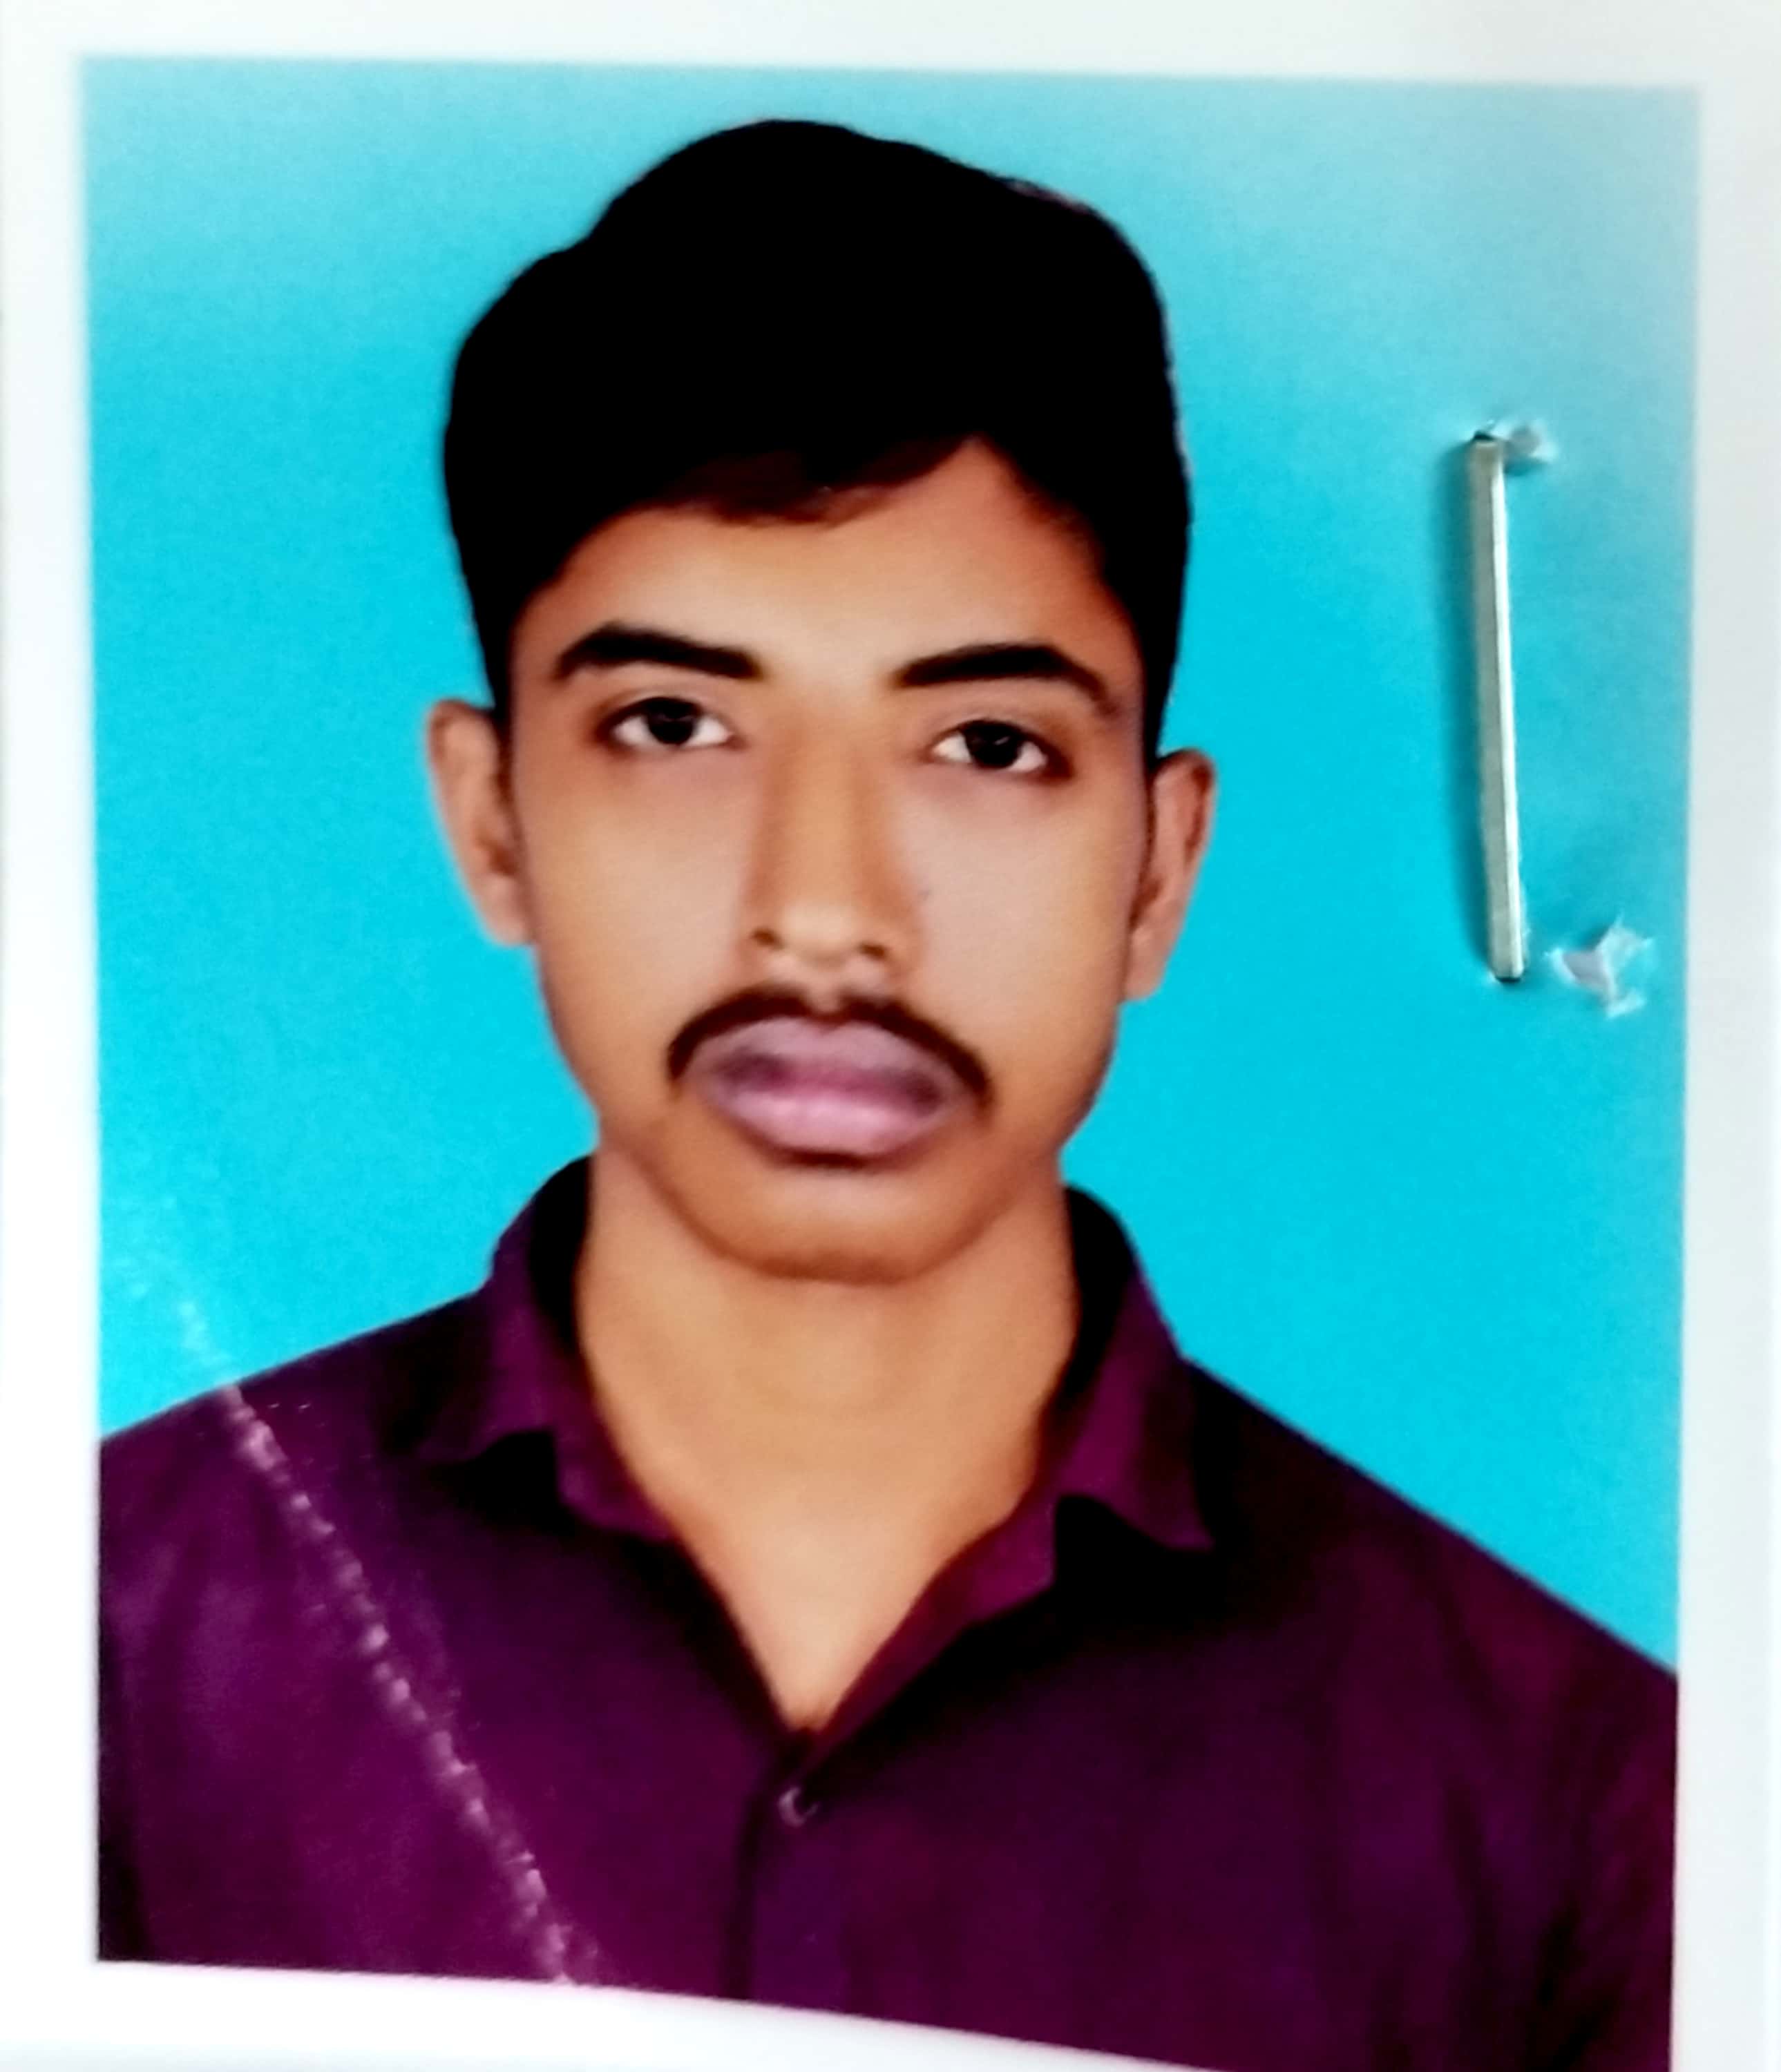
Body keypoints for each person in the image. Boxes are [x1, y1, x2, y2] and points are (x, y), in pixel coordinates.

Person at [99, 119, 1675, 2071]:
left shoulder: (1581, 1807)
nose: (828, 909)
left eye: (987, 745)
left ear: (1159, 868)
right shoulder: (98, 1647)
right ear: (490, 817)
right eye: (675, 723)